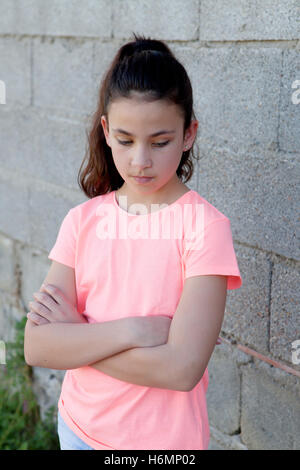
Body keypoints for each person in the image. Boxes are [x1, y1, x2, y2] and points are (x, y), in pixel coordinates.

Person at [24, 33, 242, 451]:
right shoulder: (82, 222)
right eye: (125, 140)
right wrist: (135, 329)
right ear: (105, 131)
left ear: (189, 133)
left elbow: (181, 369)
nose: (140, 160)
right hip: (78, 430)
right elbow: (38, 346)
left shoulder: (204, 228)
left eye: (159, 142)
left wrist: (77, 338)